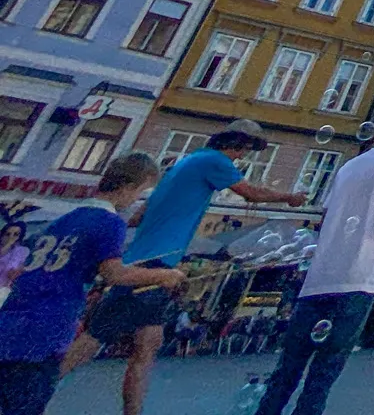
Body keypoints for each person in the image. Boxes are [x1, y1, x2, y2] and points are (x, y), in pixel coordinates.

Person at [63, 118, 304, 415]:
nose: (243, 156)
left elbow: (140, 214)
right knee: (96, 336)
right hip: (155, 265)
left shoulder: (187, 162)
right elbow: (251, 192)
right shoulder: (213, 160)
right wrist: (289, 197)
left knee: (148, 344)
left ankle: (132, 411)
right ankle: (36, 385)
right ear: (234, 143)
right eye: (245, 149)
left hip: (147, 258)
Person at [253, 104, 374, 415]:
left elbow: (327, 217)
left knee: (286, 372)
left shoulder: (349, 166)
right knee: (323, 374)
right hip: (357, 278)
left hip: (318, 277)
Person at [0, 154, 180, 415]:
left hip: (11, 322)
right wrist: (164, 276)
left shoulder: (64, 219)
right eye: (141, 192)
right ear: (128, 187)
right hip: (45, 329)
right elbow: (114, 274)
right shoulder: (110, 222)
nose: (137, 200)